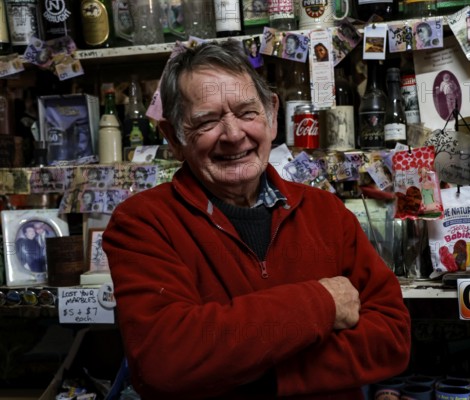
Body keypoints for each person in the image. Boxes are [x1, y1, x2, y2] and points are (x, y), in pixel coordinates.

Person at [102, 40, 411, 399]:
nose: (234, 135)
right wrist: (322, 302)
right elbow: (165, 360)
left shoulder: (326, 211)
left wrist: (258, 376)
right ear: (174, 136)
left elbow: (392, 337)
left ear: (271, 114)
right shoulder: (142, 223)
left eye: (248, 113)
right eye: (207, 120)